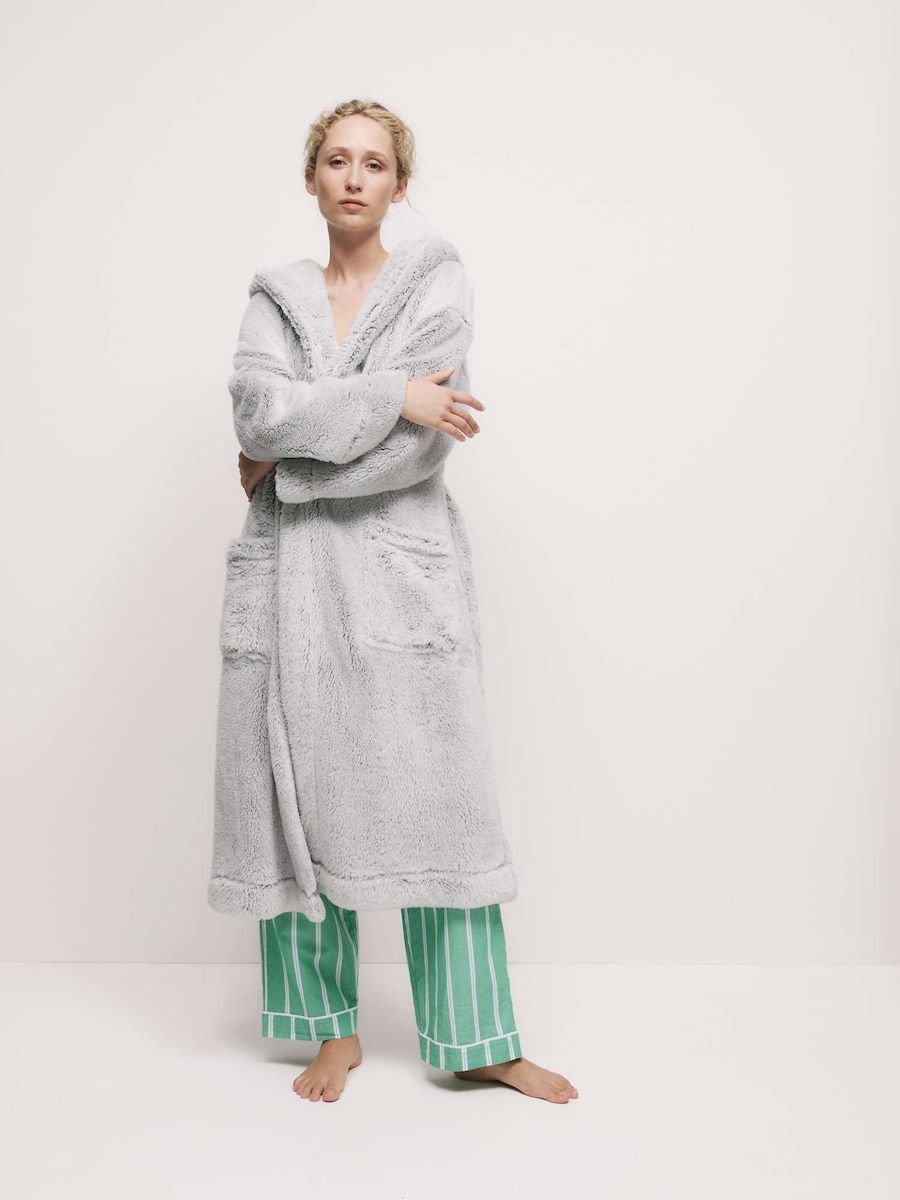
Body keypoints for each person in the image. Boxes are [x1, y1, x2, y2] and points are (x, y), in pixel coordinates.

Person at [213, 98, 578, 1106]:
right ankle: (328, 1033)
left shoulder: (434, 283)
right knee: (293, 793)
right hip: (288, 581)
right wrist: (387, 395)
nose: (354, 177)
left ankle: (477, 1039)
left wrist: (291, 470)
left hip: (397, 578)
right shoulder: (275, 297)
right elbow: (258, 411)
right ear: (312, 178)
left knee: (438, 807)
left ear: (399, 184)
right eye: (337, 159)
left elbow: (421, 444)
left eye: (375, 163)